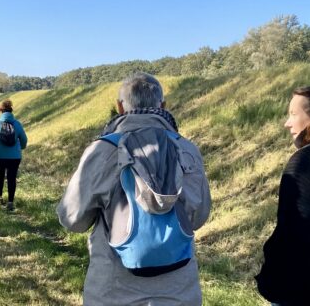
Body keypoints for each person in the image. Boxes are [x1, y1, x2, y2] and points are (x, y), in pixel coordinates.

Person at [56, 72, 211, 306]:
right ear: (163, 106)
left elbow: (73, 219)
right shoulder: (187, 149)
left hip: (113, 292)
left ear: (120, 107)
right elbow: (198, 216)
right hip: (178, 293)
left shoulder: (102, 150)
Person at [256, 87, 310, 305]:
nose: (287, 123)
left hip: (297, 288)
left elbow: (293, 232)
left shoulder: (302, 164)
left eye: (294, 114)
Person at [0, 99, 28, 212]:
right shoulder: (17, 124)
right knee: (12, 178)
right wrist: (19, 148)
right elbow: (24, 140)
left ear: (1, 111)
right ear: (11, 111)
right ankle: (10, 202)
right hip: (15, 157)